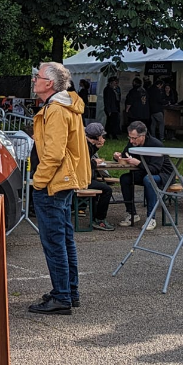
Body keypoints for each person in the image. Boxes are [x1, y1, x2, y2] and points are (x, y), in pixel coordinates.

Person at [27, 61, 90, 315]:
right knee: (64, 240)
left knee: (55, 242)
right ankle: (68, 291)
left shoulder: (56, 109)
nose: (34, 80)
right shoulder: (63, 105)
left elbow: (53, 154)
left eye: (38, 76)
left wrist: (38, 181)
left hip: (53, 184)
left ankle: (62, 296)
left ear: (49, 83)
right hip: (62, 182)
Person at [113, 121, 173, 230]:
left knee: (149, 180)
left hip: (163, 175)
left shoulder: (156, 145)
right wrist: (118, 157)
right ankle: (132, 214)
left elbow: (155, 169)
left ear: (142, 136)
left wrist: (138, 163)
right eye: (129, 137)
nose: (131, 141)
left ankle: (151, 218)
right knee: (125, 179)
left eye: (134, 138)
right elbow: (125, 154)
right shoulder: (132, 143)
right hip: (144, 172)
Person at [84, 122, 115, 231]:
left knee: (98, 188)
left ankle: (95, 218)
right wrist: (94, 163)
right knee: (107, 190)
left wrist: (96, 147)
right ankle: (100, 219)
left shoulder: (85, 144)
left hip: (84, 179)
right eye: (101, 136)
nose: (103, 137)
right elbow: (84, 163)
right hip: (82, 180)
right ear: (96, 137)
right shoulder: (85, 146)